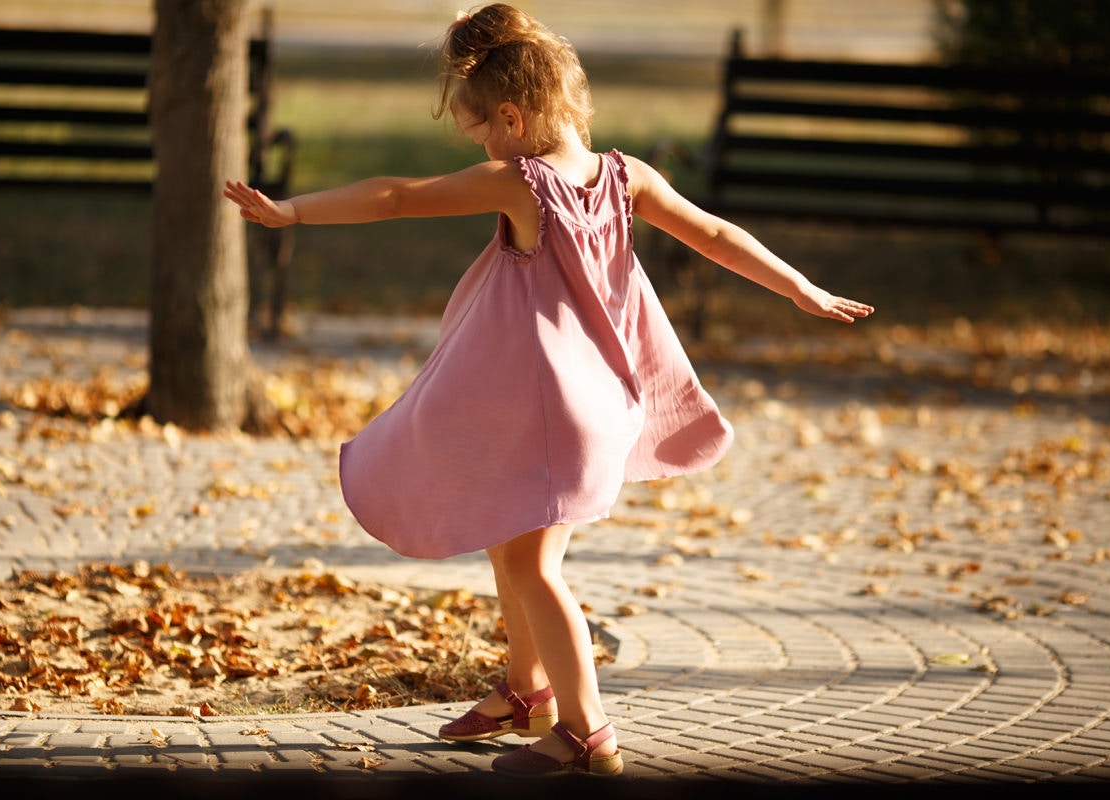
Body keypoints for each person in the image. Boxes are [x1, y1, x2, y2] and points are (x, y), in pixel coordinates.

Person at [224, 3, 873, 777]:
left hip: (548, 414)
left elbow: (396, 195)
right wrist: (799, 286)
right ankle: (526, 693)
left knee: (535, 569)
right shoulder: (629, 177)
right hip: (597, 405)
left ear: (511, 116)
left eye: (480, 132)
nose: (481, 148)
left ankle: (587, 731)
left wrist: (291, 210)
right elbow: (716, 234)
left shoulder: (521, 184)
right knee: (512, 549)